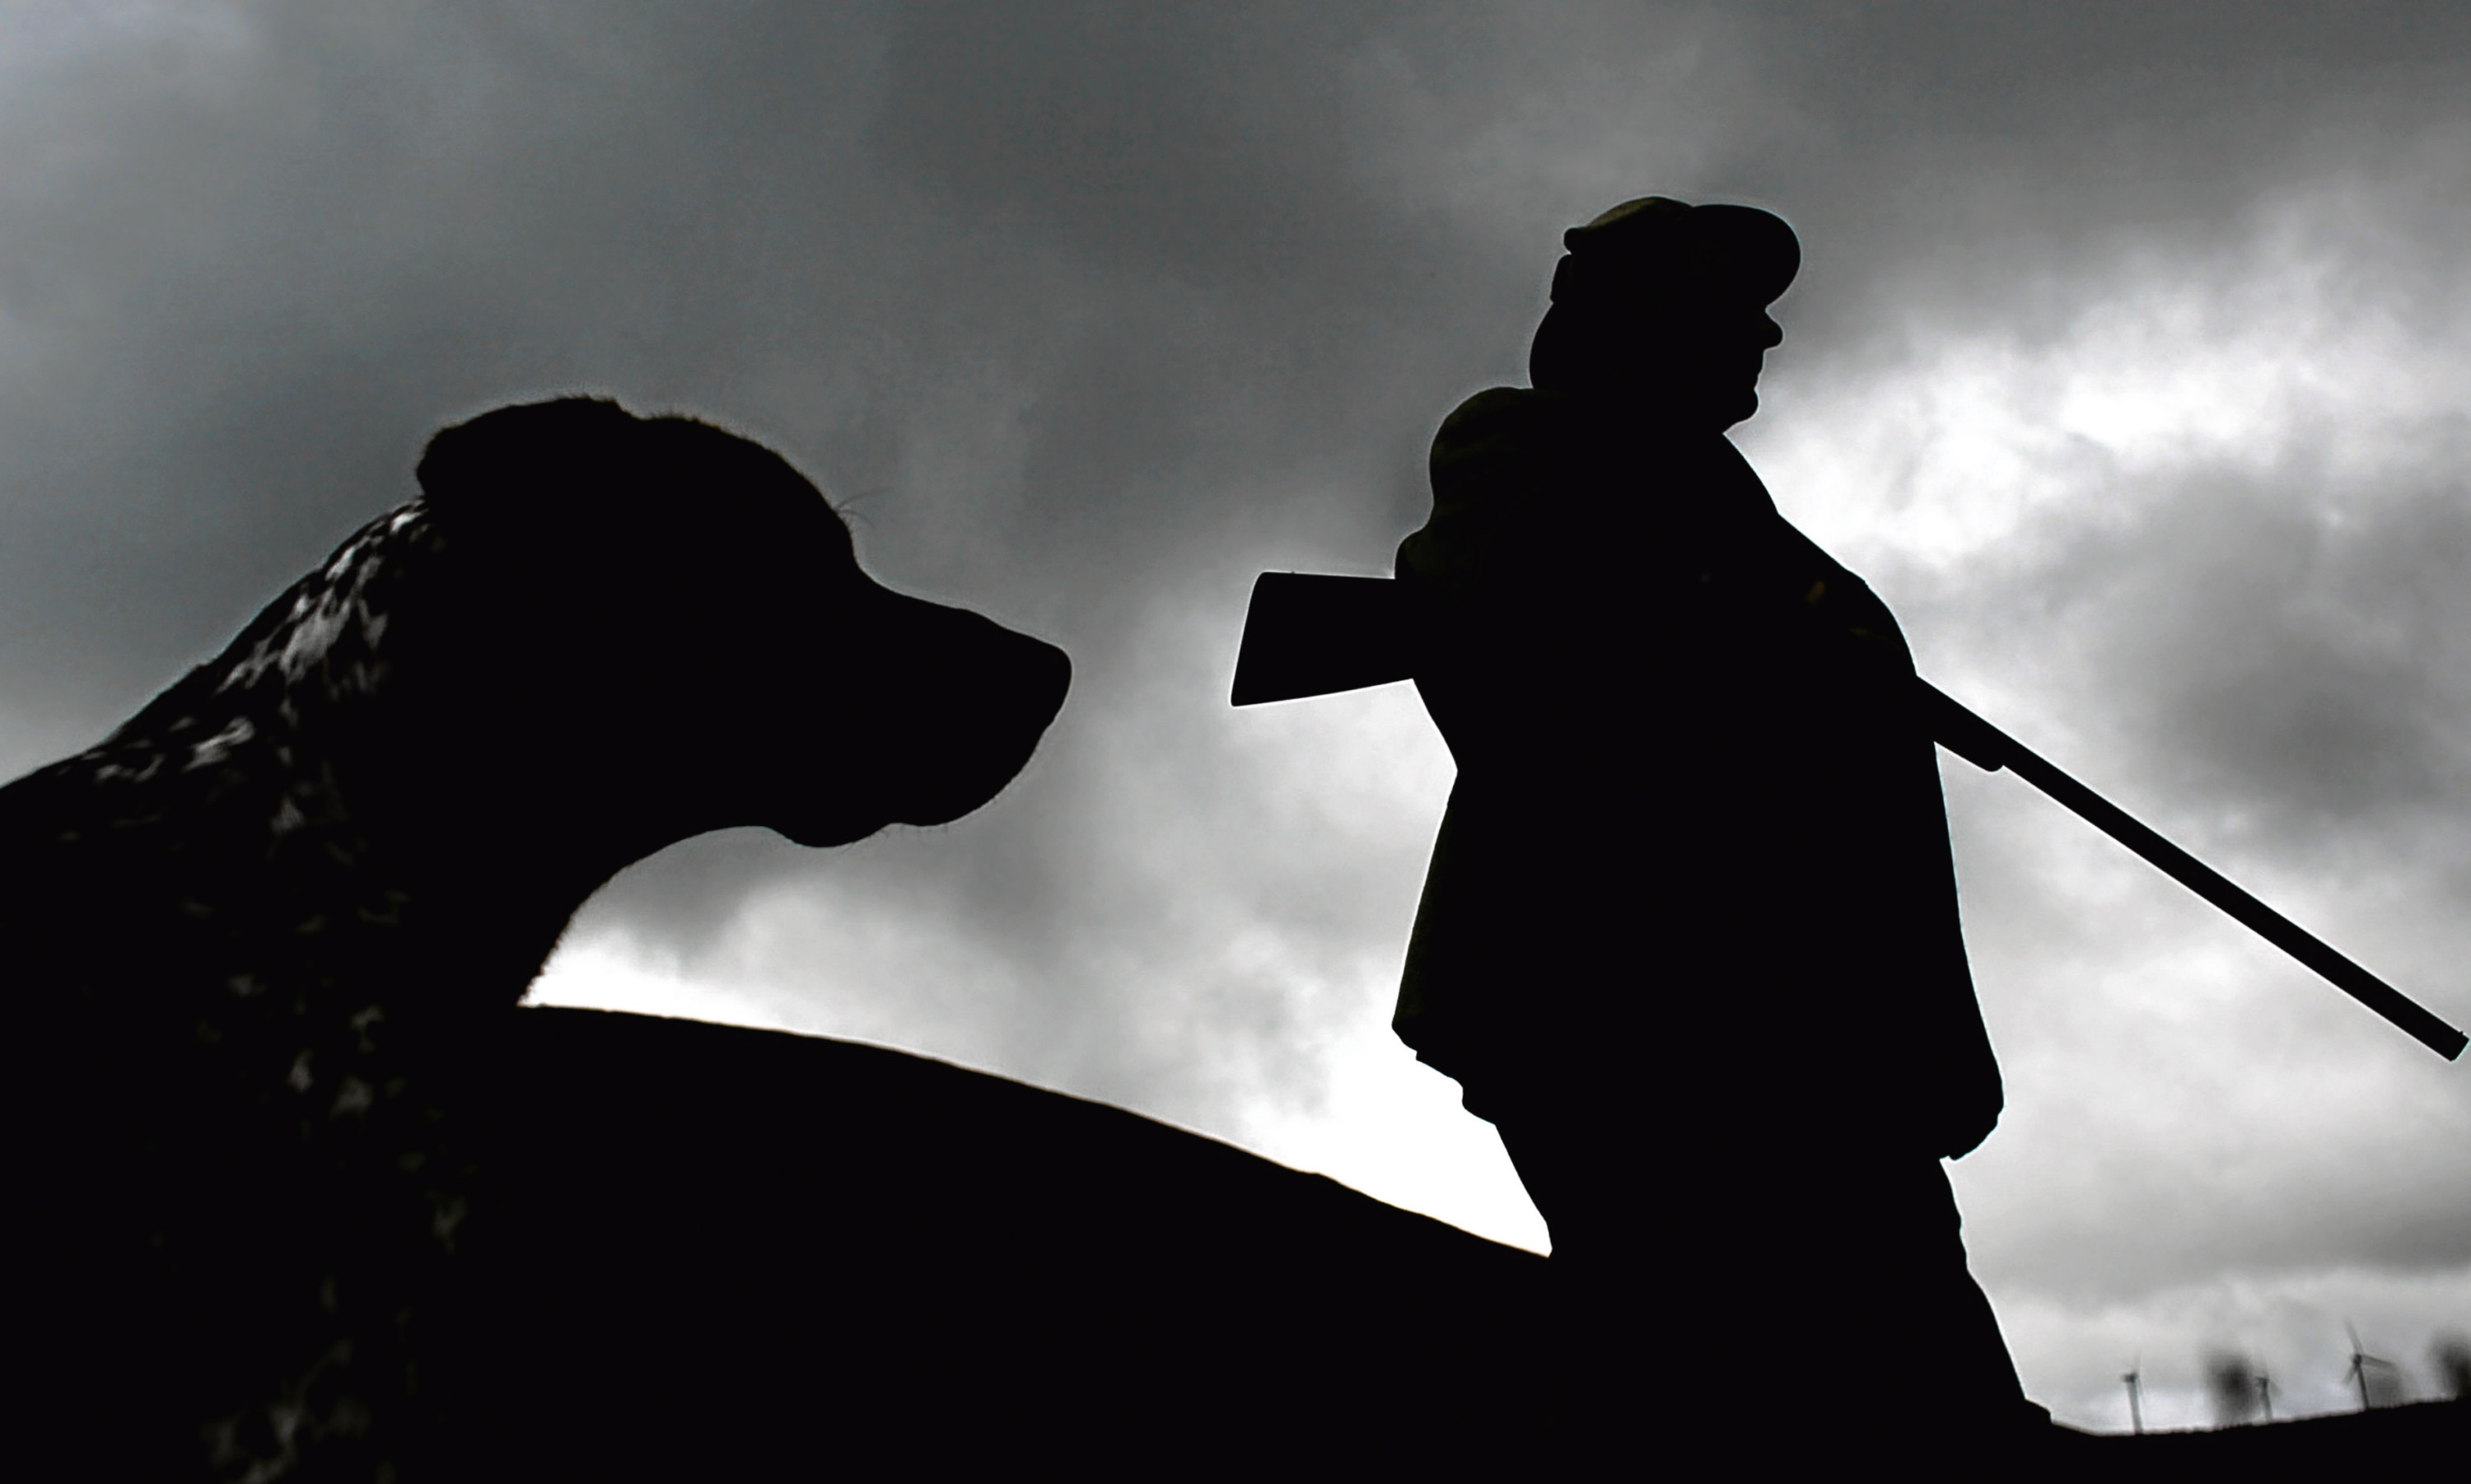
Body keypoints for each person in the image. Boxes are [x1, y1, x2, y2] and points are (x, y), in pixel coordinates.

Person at [1391, 197, 2048, 1464]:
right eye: (1728, 310)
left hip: (1799, 1034)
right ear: (1642, 325)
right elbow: (1536, 686)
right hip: (1640, 1012)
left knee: (1877, 1374)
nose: (1765, 336)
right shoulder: (1521, 450)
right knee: (1745, 1368)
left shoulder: (1722, 508)